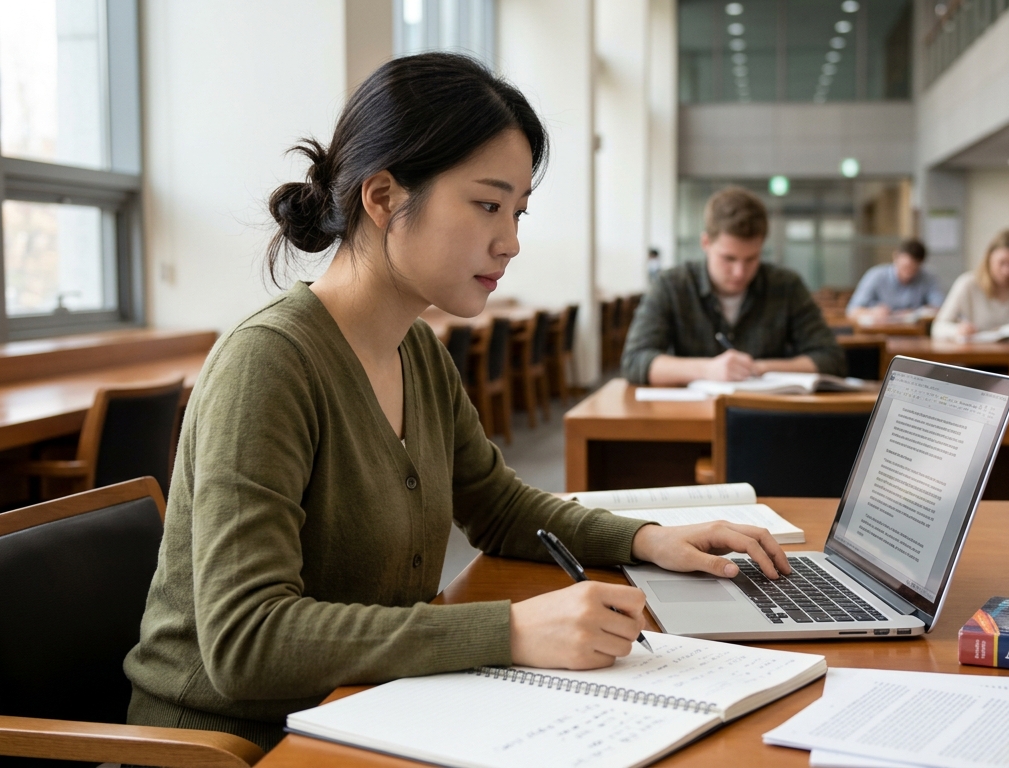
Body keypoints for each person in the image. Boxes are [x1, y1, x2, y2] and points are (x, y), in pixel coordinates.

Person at [123, 54, 791, 751]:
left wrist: (648, 538)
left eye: (518, 211)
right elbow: (246, 641)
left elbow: (499, 508)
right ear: (382, 198)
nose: (511, 241)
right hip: (236, 745)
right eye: (487, 204)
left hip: (365, 712)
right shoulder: (269, 363)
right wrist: (510, 631)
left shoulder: (419, 353)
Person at [620, 186, 845, 385]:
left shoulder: (786, 285)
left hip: (767, 420)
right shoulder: (672, 285)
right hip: (691, 420)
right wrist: (708, 370)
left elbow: (830, 358)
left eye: (751, 259)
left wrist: (758, 368)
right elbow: (635, 361)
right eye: (729, 259)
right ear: (705, 242)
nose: (740, 272)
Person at [931, 229, 1009, 341]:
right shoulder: (968, 283)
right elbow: (938, 328)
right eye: (1002, 263)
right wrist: (957, 330)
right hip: (977, 358)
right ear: (989, 258)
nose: (1007, 271)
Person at [846, 239, 945, 322]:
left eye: (913, 269)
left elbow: (939, 308)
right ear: (895, 257)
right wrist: (872, 312)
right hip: (879, 332)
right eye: (904, 267)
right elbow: (852, 311)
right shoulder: (876, 276)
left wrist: (916, 313)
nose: (908, 274)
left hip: (914, 334)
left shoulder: (928, 277)